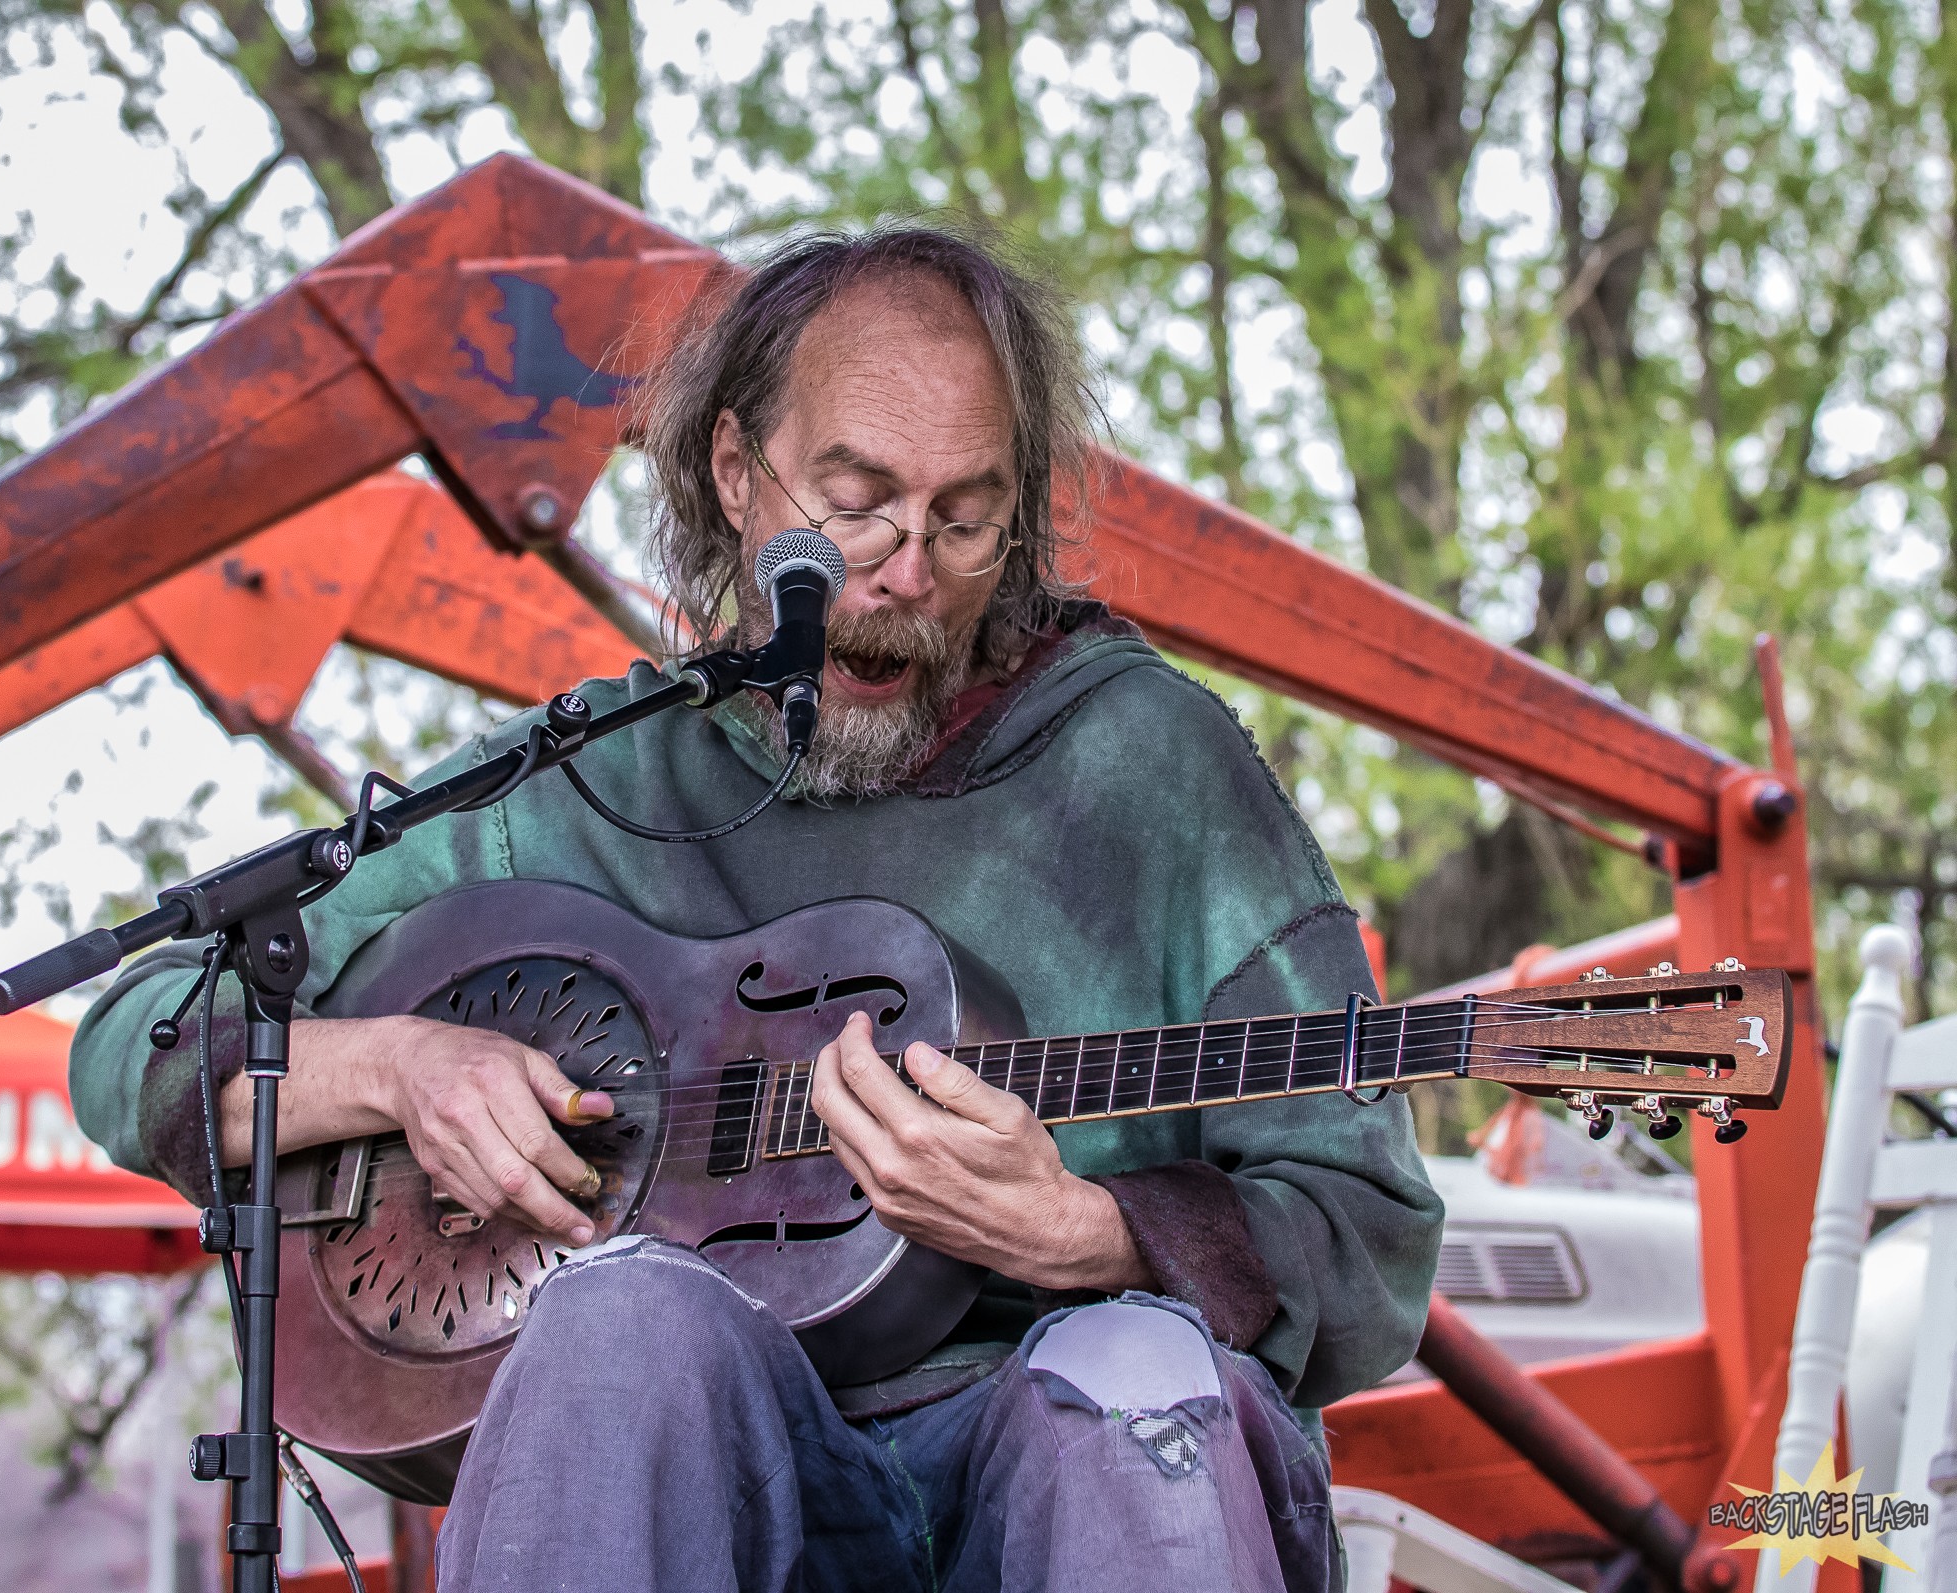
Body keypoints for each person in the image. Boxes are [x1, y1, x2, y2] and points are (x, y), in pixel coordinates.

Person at [70, 226, 1444, 1592]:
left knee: (1122, 1374)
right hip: (714, 1492)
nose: (907, 573)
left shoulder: (1157, 767)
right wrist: (403, 1066)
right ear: (736, 471)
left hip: (1071, 1474)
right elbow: (137, 1037)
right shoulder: (580, 786)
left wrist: (1098, 1239)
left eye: (966, 518)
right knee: (619, 1321)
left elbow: (1373, 1237)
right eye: (856, 501)